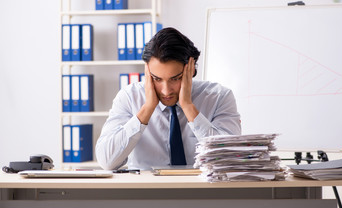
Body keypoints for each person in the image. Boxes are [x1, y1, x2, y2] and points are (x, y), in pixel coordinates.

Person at [96, 27, 241, 170]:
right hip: (146, 192)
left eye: (175, 79)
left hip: (203, 191)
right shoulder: (129, 97)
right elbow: (107, 162)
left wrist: (188, 107)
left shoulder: (219, 97)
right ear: (147, 72)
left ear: (191, 70)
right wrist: (147, 109)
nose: (166, 90)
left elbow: (230, 159)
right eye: (157, 79)